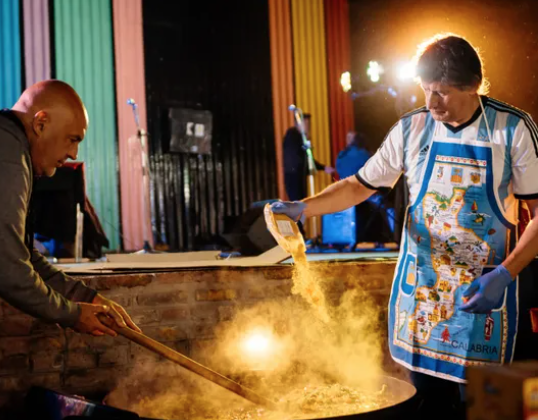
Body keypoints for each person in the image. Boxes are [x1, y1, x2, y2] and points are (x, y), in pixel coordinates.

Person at [271, 34, 538, 419]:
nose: (431, 104)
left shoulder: (511, 129)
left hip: (486, 297)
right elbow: (357, 185)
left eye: (443, 93)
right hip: (423, 300)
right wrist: (303, 208)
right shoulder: (411, 129)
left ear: (473, 86)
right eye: (426, 91)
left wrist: (505, 272)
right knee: (424, 407)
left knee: (491, 409)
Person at [0, 80, 141, 337]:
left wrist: (88, 297)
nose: (74, 153)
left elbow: (21, 253)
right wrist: (72, 314)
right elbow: (8, 268)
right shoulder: (8, 155)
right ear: (41, 123)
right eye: (72, 139)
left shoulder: (11, 143)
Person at [282, 113, 335, 201]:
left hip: (300, 178)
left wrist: (323, 167)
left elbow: (307, 158)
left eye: (308, 124)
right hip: (294, 179)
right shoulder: (292, 137)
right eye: (305, 124)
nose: (307, 127)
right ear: (298, 124)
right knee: (299, 204)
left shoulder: (300, 138)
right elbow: (300, 159)